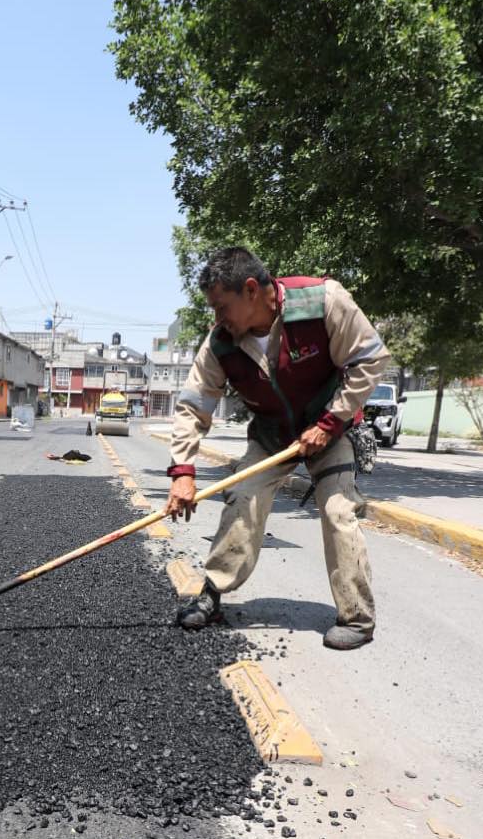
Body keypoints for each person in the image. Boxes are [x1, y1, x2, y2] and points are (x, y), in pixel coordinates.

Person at [165, 247, 390, 650]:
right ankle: (212, 593)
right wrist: (183, 472)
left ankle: (357, 617)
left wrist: (329, 422)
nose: (217, 318)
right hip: (273, 436)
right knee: (242, 497)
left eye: (221, 306)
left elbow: (370, 359)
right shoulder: (221, 343)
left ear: (251, 290)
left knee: (339, 512)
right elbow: (193, 404)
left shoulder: (323, 302)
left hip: (332, 430)